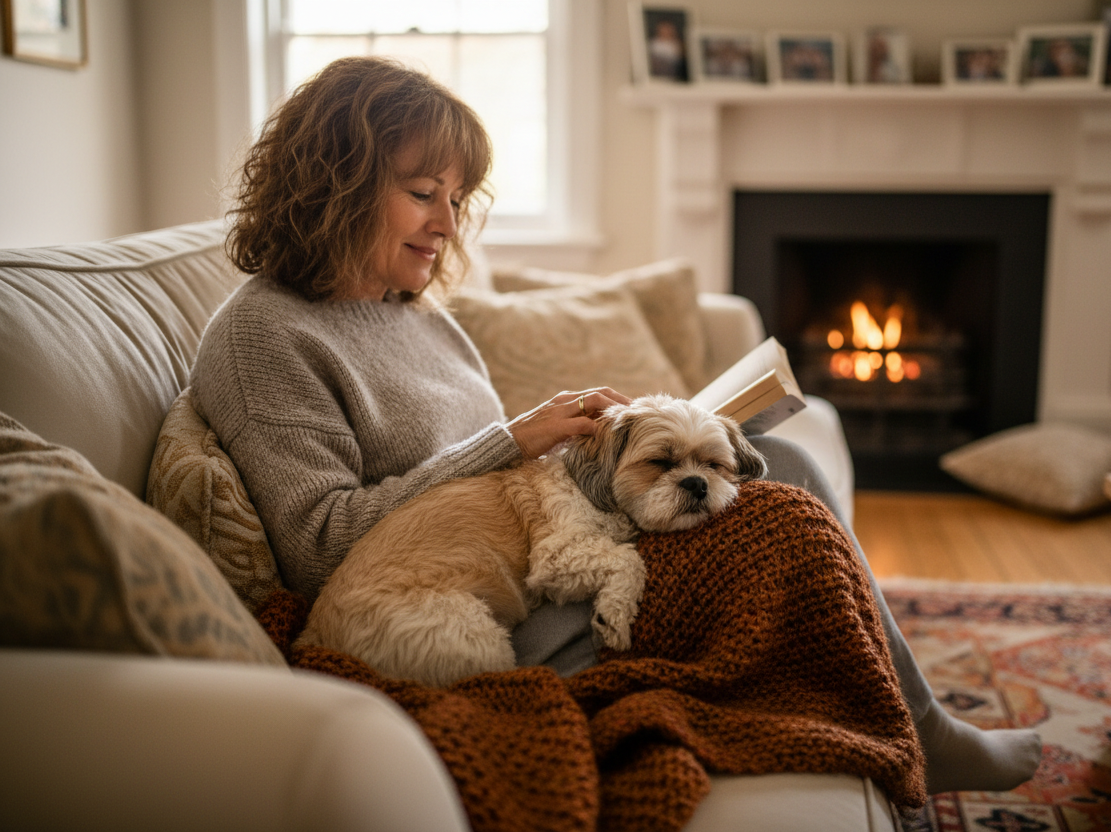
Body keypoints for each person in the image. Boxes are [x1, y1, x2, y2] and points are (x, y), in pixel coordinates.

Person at [191, 55, 1041, 796]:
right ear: (336, 184)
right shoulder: (263, 335)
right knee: (785, 506)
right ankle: (912, 727)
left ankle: (898, 714)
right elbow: (316, 547)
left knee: (774, 457)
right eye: (423, 195)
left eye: (456, 197)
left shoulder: (420, 315)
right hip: (485, 607)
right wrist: (510, 440)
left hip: (543, 552)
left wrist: (606, 437)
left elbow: (514, 485)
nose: (449, 224)